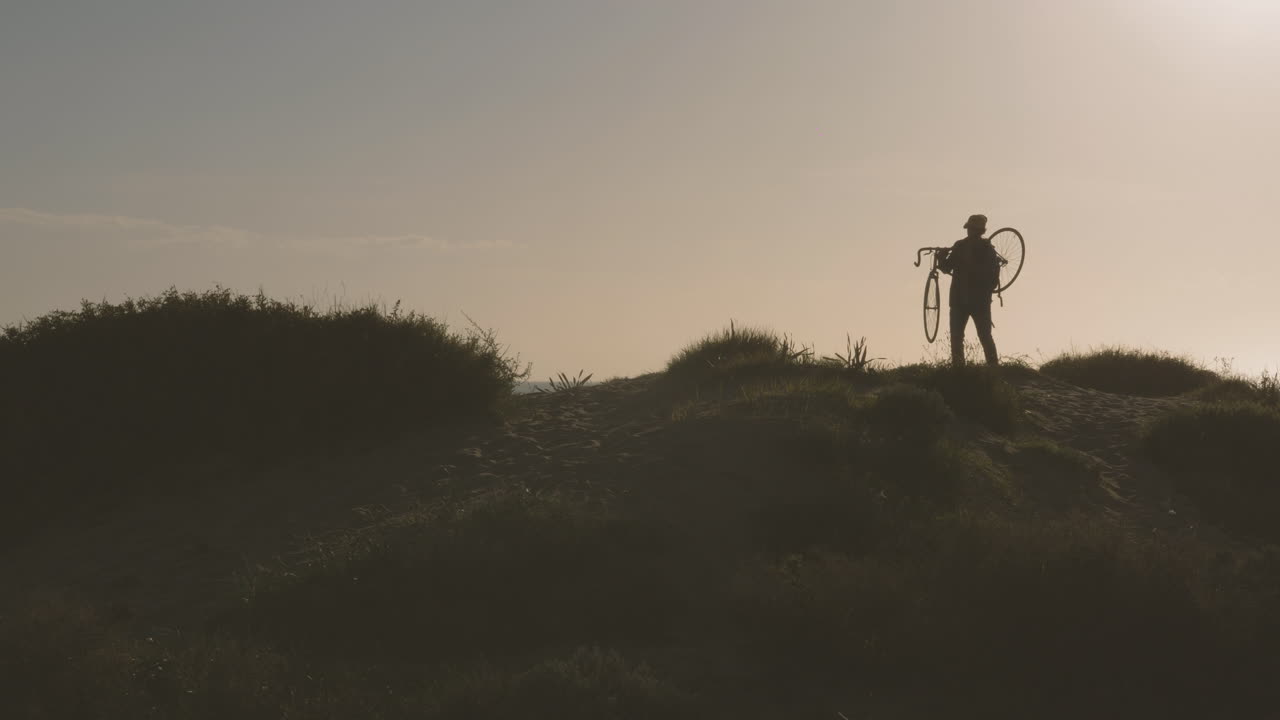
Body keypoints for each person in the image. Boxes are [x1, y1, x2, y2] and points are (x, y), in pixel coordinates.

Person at [936, 214, 1001, 366]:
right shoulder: (987, 249)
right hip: (979, 300)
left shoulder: (960, 246)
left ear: (972, 229)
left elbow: (946, 267)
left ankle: (960, 369)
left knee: (958, 337)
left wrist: (941, 258)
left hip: (961, 300)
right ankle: (993, 368)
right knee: (984, 336)